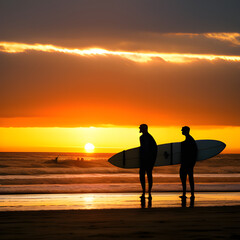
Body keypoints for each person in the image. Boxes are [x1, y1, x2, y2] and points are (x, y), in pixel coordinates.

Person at [139, 124, 158, 200]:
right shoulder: (147, 137)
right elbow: (154, 148)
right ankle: (147, 192)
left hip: (146, 160)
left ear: (144, 129)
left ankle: (146, 192)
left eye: (140, 128)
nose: (139, 129)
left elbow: (146, 148)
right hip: (148, 159)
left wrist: (150, 159)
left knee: (144, 175)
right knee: (146, 175)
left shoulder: (145, 137)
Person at [179, 126, 198, 200]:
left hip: (187, 162)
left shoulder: (190, 139)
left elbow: (194, 152)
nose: (182, 132)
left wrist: (192, 162)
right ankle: (189, 194)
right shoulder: (189, 139)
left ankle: (189, 194)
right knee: (187, 178)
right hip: (188, 162)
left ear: (186, 131)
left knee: (185, 178)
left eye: (183, 130)